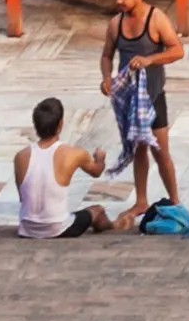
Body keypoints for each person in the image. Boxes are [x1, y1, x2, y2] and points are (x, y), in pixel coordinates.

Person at [100, 0, 183, 213]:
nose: (119, 1)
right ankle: (141, 201)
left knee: (161, 151)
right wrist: (106, 77)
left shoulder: (156, 19)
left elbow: (177, 50)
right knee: (138, 149)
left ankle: (175, 201)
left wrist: (150, 60)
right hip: (129, 98)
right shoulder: (115, 24)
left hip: (153, 96)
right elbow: (106, 55)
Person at [10, 96, 118, 239]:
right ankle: (116, 226)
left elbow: (22, 197)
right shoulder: (74, 153)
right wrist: (100, 157)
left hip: (27, 228)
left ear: (36, 126)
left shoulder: (20, 157)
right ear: (60, 125)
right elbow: (97, 171)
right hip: (57, 228)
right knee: (97, 211)